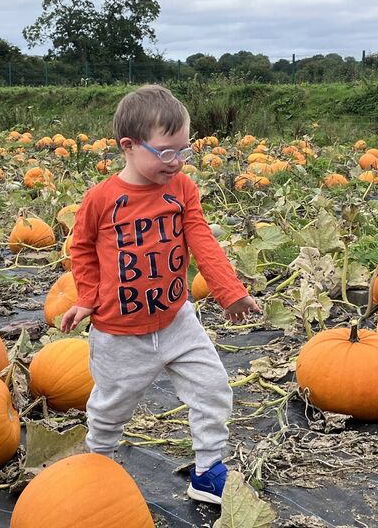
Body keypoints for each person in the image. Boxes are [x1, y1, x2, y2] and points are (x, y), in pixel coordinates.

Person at [60, 84, 260, 505]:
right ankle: (98, 468)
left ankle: (207, 471)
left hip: (176, 319)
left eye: (185, 151)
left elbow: (201, 239)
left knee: (212, 387)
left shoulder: (182, 189)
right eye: (167, 151)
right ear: (129, 147)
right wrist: (86, 298)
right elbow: (80, 248)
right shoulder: (101, 199)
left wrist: (230, 292)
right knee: (110, 409)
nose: (177, 162)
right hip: (119, 331)